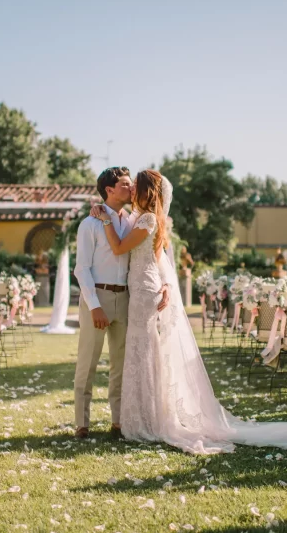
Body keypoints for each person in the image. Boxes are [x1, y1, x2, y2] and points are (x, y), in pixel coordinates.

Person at [89, 169, 287, 454]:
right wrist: (166, 283)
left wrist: (104, 219)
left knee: (145, 350)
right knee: (144, 350)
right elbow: (159, 261)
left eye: (135, 186)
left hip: (144, 291)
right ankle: (145, 415)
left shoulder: (150, 219)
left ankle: (150, 419)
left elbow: (118, 249)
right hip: (144, 287)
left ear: (145, 191)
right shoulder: (143, 218)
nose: (131, 190)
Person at [72, 167, 170, 439]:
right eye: (126, 184)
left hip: (127, 298)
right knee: (87, 362)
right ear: (109, 190)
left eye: (132, 184)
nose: (131, 188)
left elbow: (154, 252)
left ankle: (119, 422)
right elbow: (82, 269)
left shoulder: (132, 221)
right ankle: (82, 424)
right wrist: (94, 306)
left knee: (121, 364)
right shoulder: (89, 224)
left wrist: (166, 283)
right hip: (98, 297)